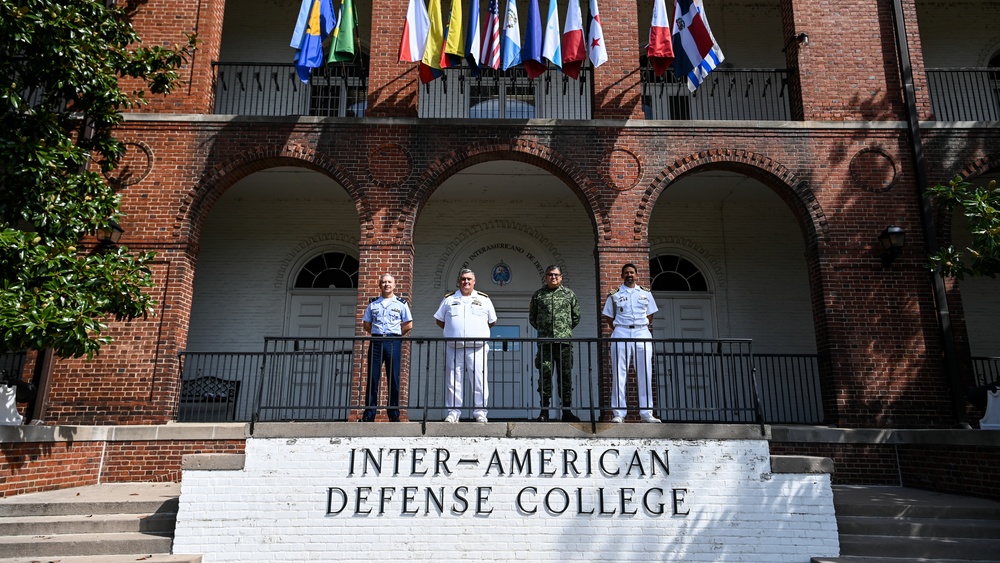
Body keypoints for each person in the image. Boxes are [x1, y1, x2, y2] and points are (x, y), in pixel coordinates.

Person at [434, 268, 497, 423]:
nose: (466, 282)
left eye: (469, 279)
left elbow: (492, 321)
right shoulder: (449, 299)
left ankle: (480, 412)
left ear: (474, 281)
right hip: (453, 347)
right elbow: (440, 320)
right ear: (459, 281)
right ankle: (453, 412)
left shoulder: (484, 300)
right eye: (463, 279)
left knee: (479, 380)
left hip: (477, 348)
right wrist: (453, 331)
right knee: (453, 380)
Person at [602, 263, 661, 423]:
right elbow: (608, 317)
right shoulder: (614, 295)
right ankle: (619, 413)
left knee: (645, 372)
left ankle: (646, 413)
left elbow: (650, 315)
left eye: (632, 273)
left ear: (637, 275)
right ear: (622, 276)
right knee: (619, 373)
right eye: (626, 273)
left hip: (642, 331)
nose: (629, 275)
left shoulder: (645, 294)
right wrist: (620, 327)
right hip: (621, 331)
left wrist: (639, 327)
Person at [529, 265, 581, 422]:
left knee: (565, 377)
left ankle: (566, 411)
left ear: (561, 277)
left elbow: (576, 316)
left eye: (556, 275)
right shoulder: (539, 295)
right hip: (545, 343)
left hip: (564, 343)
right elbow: (533, 318)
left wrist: (563, 330)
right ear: (545, 277)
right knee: (545, 377)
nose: (553, 277)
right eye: (550, 275)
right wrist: (545, 331)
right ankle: (544, 411)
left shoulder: (568, 294)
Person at [361, 274, 413, 422]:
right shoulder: (373, 304)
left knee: (394, 379)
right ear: (380, 285)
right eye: (384, 282)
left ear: (394, 285)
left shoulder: (401, 304)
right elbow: (366, 324)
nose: (386, 285)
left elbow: (408, 324)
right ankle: (369, 414)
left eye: (389, 282)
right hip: (376, 342)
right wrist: (377, 334)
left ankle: (393, 414)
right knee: (372, 378)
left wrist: (395, 335)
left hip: (393, 341)